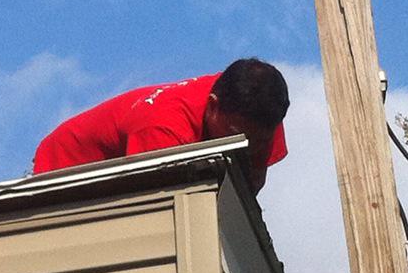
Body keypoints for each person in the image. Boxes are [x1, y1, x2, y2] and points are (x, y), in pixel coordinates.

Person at [32, 58, 289, 192]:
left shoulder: (262, 112)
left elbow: (249, 189)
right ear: (213, 106)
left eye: (260, 142)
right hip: (62, 168)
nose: (250, 149)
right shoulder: (164, 132)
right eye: (237, 137)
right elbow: (153, 210)